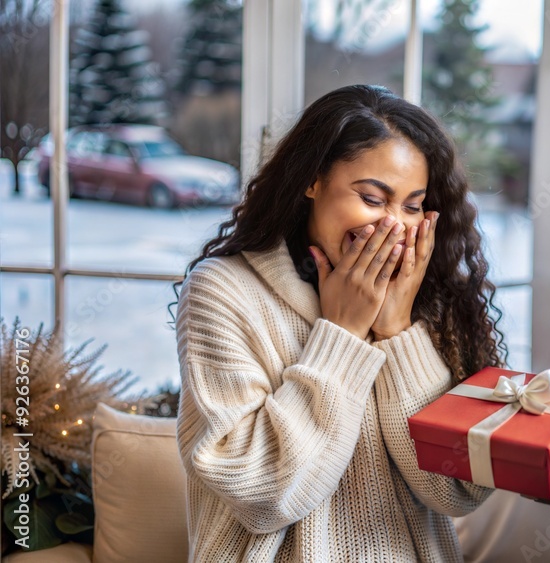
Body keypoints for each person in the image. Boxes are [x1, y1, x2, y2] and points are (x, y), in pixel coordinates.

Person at [173, 84, 504, 562]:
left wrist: (397, 331)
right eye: (373, 198)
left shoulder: (422, 294)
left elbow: (457, 491)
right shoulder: (223, 291)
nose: (394, 226)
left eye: (412, 206)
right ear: (313, 180)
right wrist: (345, 335)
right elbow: (263, 495)